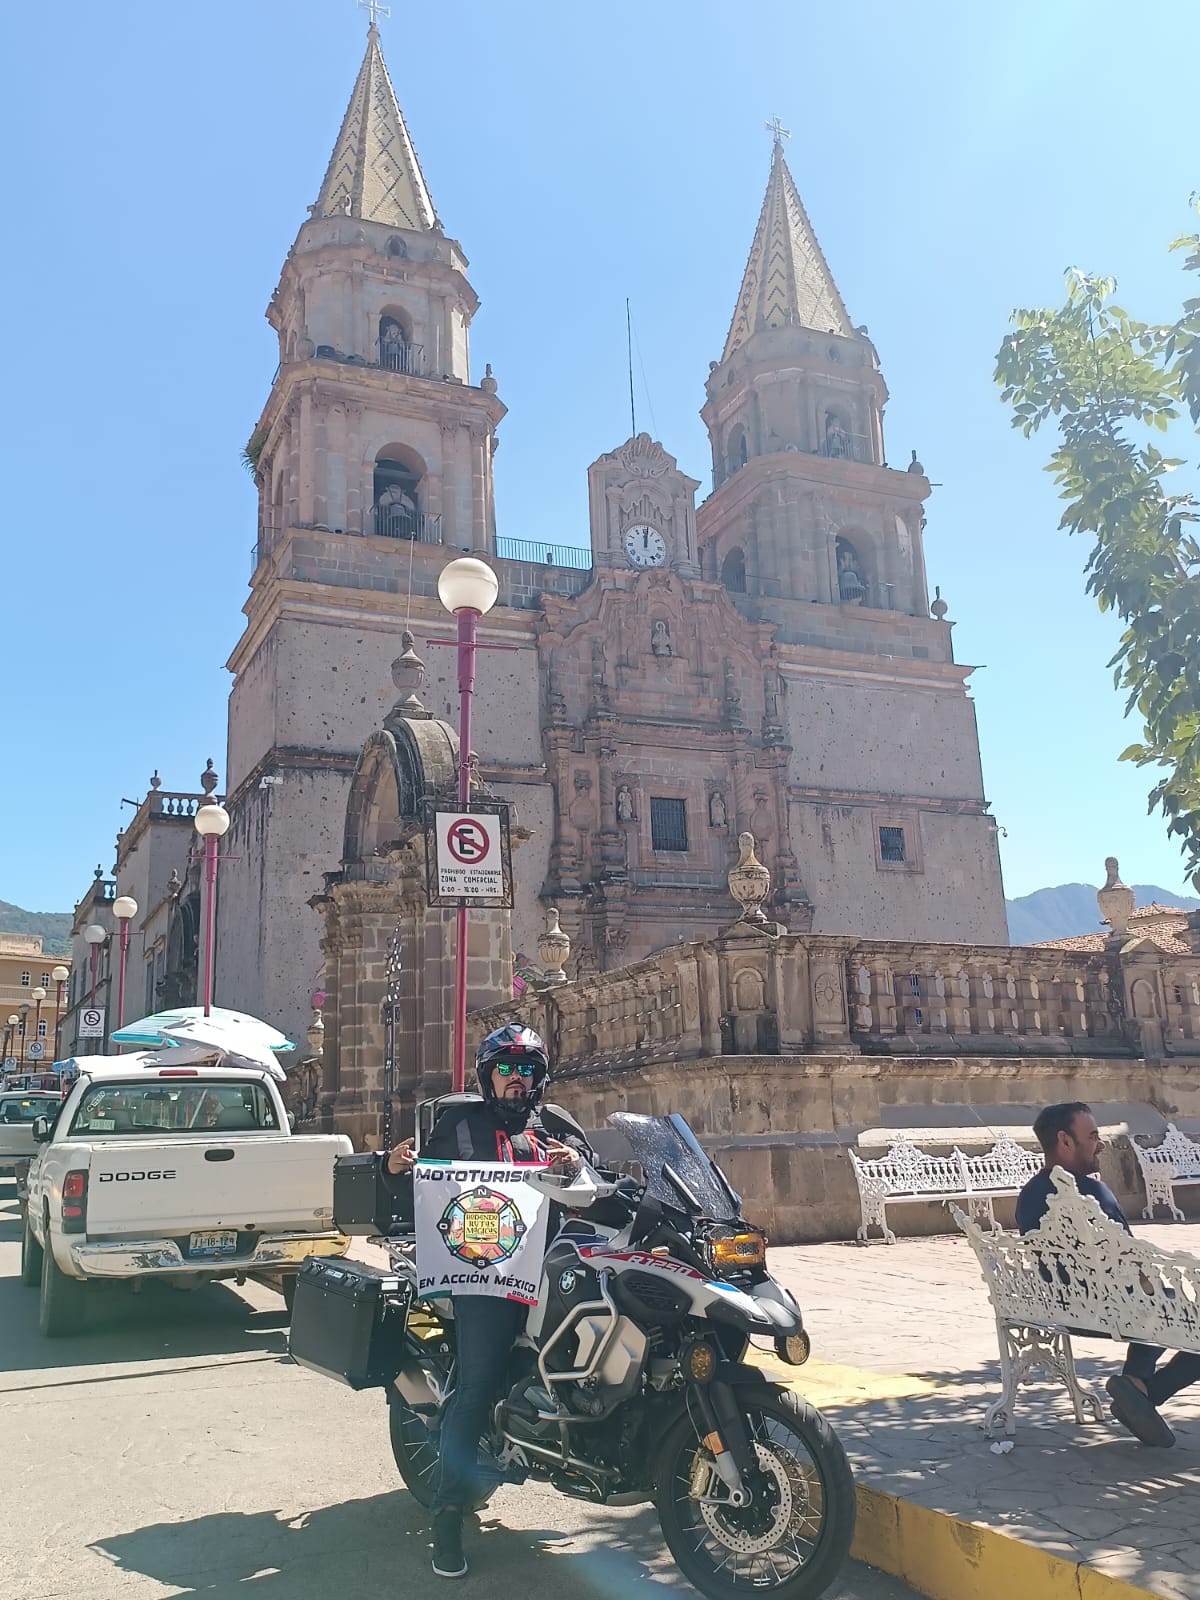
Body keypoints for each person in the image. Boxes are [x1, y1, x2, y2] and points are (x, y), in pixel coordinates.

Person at [382, 1024, 592, 1579]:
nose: (516, 1079)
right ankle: (448, 1518)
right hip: (485, 1274)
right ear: (487, 1075)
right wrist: (394, 1165)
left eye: (527, 1069)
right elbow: (421, 1187)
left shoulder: (558, 1127)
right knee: (476, 1383)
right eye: (506, 1068)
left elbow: (598, 1185)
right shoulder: (458, 1125)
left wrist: (576, 1165)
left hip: (553, 1267)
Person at [1015, 1102, 1200, 1447]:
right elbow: (1133, 1261)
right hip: (1111, 1310)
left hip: (1062, 1308)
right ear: (1065, 1141)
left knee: (1163, 1303)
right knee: (1175, 1306)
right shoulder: (1091, 1194)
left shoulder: (1029, 1196)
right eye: (1093, 1135)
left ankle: (1139, 1389)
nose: (1100, 1144)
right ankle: (1144, 1389)